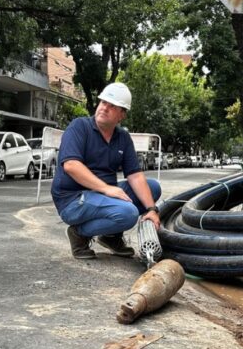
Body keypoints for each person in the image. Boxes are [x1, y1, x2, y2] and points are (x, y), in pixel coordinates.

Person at [51, 83, 162, 259]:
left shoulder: (122, 137)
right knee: (128, 213)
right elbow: (71, 165)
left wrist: (152, 209)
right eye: (103, 102)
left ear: (122, 114)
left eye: (112, 106)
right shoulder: (79, 126)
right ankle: (79, 233)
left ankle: (110, 236)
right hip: (73, 198)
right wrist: (108, 189)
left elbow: (134, 174)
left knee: (152, 188)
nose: (104, 108)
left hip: (101, 195)